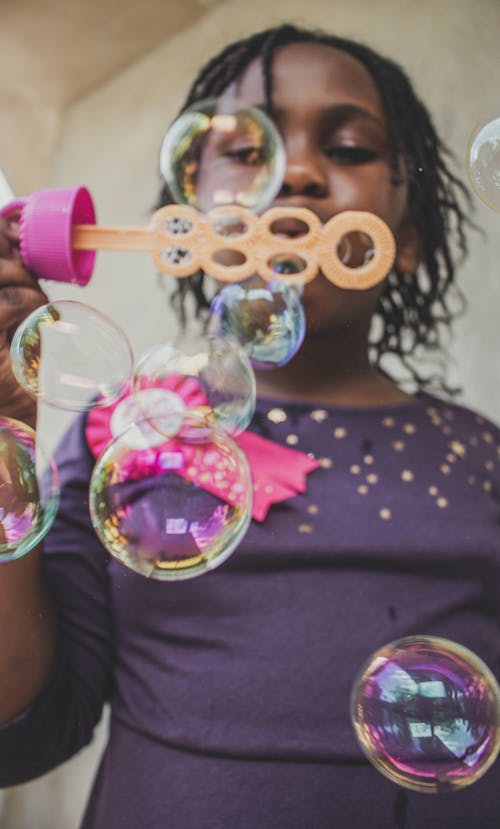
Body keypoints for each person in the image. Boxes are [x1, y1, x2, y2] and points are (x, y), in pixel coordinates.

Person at [0, 22, 499, 829]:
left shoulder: (481, 456)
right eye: (247, 149)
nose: (297, 172)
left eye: (348, 147)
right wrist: (4, 434)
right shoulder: (126, 427)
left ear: (402, 240)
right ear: (187, 227)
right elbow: (24, 730)